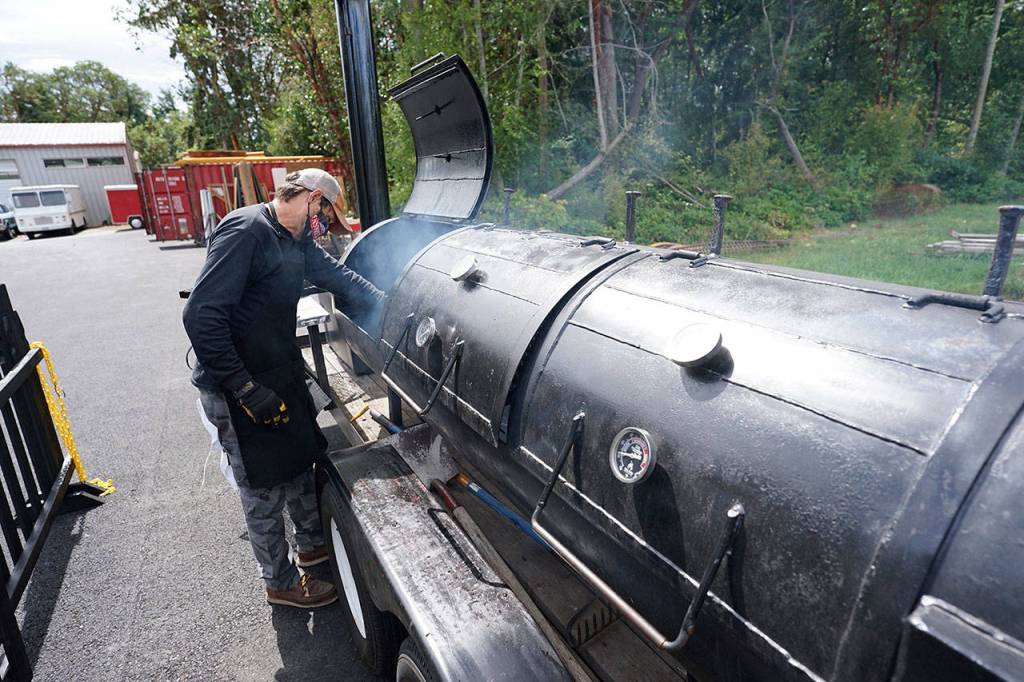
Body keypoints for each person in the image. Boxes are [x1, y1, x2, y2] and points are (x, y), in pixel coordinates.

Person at [183, 169, 383, 608]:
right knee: (262, 487)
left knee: (300, 458)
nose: (326, 228)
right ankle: (280, 582)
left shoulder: (297, 239)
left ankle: (311, 548)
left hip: (278, 369)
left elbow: (336, 276)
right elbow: (200, 316)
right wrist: (244, 388)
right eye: (326, 217)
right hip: (239, 383)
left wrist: (385, 302)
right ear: (313, 200)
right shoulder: (246, 230)